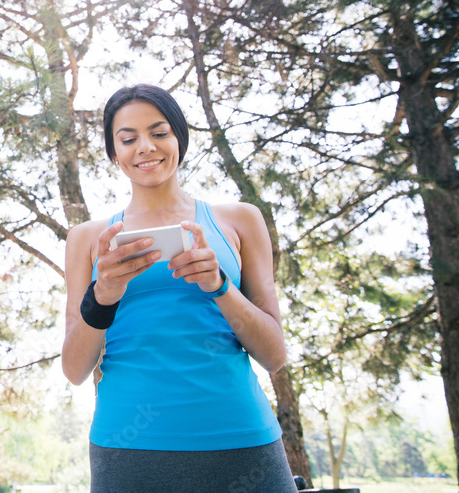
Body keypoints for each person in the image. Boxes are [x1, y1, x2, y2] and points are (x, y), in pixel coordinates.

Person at [61, 84, 298, 493]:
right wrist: (104, 296)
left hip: (242, 440)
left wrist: (219, 286)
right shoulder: (86, 239)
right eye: (128, 138)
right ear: (114, 152)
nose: (145, 147)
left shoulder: (240, 221)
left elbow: (274, 355)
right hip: (128, 451)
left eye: (159, 132)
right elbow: (75, 369)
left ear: (179, 138)